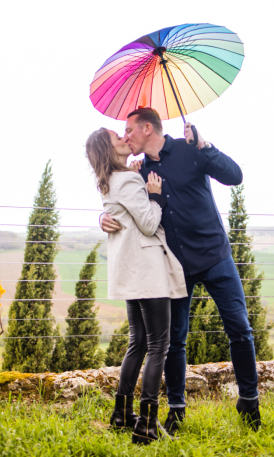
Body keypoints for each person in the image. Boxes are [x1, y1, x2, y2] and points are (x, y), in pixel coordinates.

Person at [100, 108, 262, 432]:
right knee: (175, 341)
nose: (126, 136)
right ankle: (176, 410)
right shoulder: (138, 172)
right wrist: (102, 218)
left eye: (129, 130)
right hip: (174, 266)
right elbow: (127, 206)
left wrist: (205, 144)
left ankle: (249, 401)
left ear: (148, 128)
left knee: (240, 330)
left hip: (215, 257)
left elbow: (235, 175)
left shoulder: (191, 149)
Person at [85, 127, 187, 445]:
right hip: (147, 270)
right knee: (159, 345)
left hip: (130, 270)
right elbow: (148, 222)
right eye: (118, 137)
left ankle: (121, 414)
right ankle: (147, 424)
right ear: (108, 149)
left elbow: (125, 213)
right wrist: (153, 195)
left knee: (139, 342)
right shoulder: (128, 179)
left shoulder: (110, 181)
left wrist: (137, 186)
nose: (124, 139)